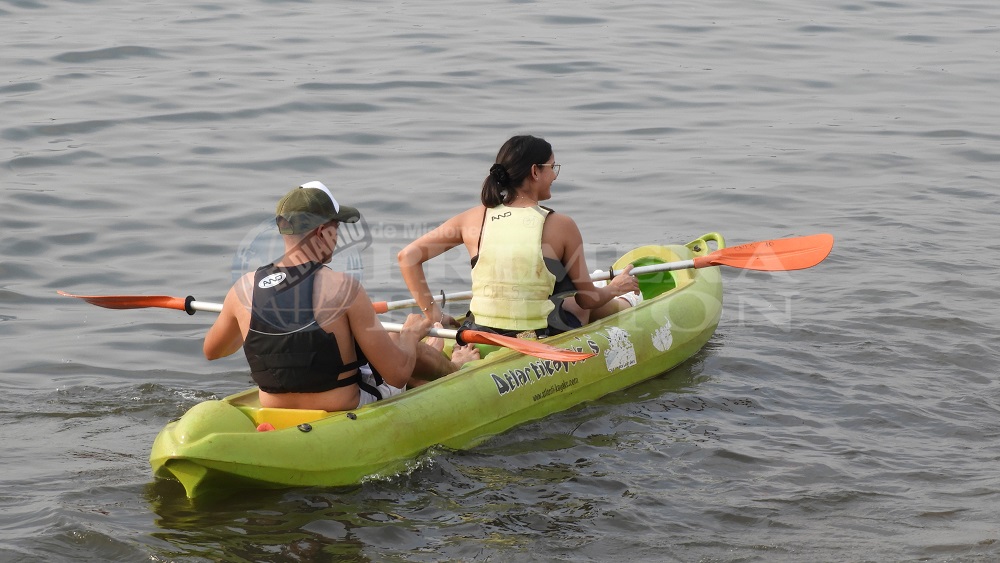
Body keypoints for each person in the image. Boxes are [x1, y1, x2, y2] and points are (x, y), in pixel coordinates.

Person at [204, 181, 478, 412]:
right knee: (402, 342)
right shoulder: (344, 288)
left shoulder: (244, 288)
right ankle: (456, 364)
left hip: (276, 410)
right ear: (323, 232)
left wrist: (255, 324)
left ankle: (435, 343)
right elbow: (396, 375)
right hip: (346, 407)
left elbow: (214, 351)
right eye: (337, 229)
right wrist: (409, 334)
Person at [398, 135, 640, 339]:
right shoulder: (561, 224)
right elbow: (588, 299)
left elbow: (408, 257)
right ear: (535, 171)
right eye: (552, 168)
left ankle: (623, 302)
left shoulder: (472, 217)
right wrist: (614, 288)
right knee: (576, 302)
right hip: (535, 335)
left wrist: (434, 314)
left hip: (478, 332)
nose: (555, 176)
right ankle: (628, 303)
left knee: (562, 292)